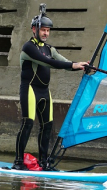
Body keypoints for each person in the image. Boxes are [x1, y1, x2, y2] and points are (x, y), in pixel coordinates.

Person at [12, 12, 88, 171]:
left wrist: (80, 66)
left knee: (48, 126)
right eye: (43, 30)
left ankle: (43, 162)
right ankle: (18, 162)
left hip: (45, 92)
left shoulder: (49, 48)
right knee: (28, 123)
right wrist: (72, 65)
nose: (46, 33)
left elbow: (63, 61)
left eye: (48, 30)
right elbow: (48, 62)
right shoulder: (28, 47)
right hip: (30, 90)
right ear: (34, 29)